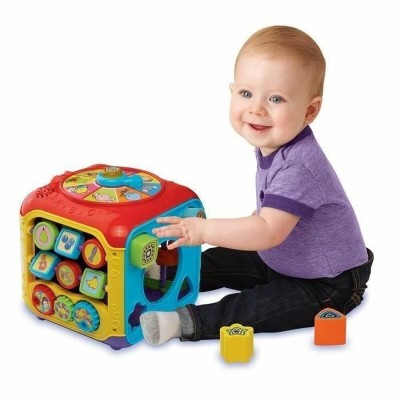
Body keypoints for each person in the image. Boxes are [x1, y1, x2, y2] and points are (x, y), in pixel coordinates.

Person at [139, 25, 373, 345]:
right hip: (279, 258)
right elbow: (269, 219)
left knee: (256, 307)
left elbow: (267, 231)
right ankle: (162, 277)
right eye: (246, 94)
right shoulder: (275, 144)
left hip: (328, 283)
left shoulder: (299, 166)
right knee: (220, 259)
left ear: (309, 110)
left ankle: (181, 322)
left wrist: (204, 230)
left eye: (276, 99)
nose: (256, 108)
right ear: (232, 91)